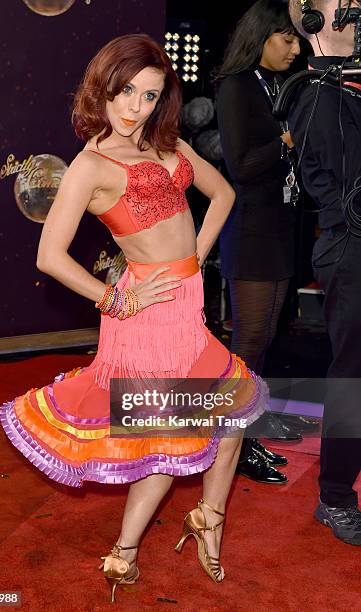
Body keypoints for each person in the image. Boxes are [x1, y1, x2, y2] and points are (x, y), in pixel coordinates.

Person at [0, 34, 269, 602]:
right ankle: (124, 553)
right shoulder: (90, 165)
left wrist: (195, 258)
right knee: (174, 437)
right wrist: (117, 299)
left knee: (231, 411)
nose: (135, 108)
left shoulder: (165, 143)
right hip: (144, 320)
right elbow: (49, 256)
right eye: (125, 92)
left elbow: (222, 195)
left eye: (148, 95)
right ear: (102, 89)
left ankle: (207, 519)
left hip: (185, 306)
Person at [215, 0, 302, 485]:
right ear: (262, 36)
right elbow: (241, 166)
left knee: (265, 339)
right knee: (248, 341)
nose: (295, 48)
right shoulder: (236, 87)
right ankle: (234, 445)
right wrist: (287, 142)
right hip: (249, 231)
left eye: (296, 39)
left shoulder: (282, 86)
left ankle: (248, 433)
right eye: (286, 38)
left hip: (280, 229)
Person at [287, 0, 361, 545]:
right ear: (314, 21)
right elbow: (335, 191)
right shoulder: (316, 94)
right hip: (350, 249)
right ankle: (335, 496)